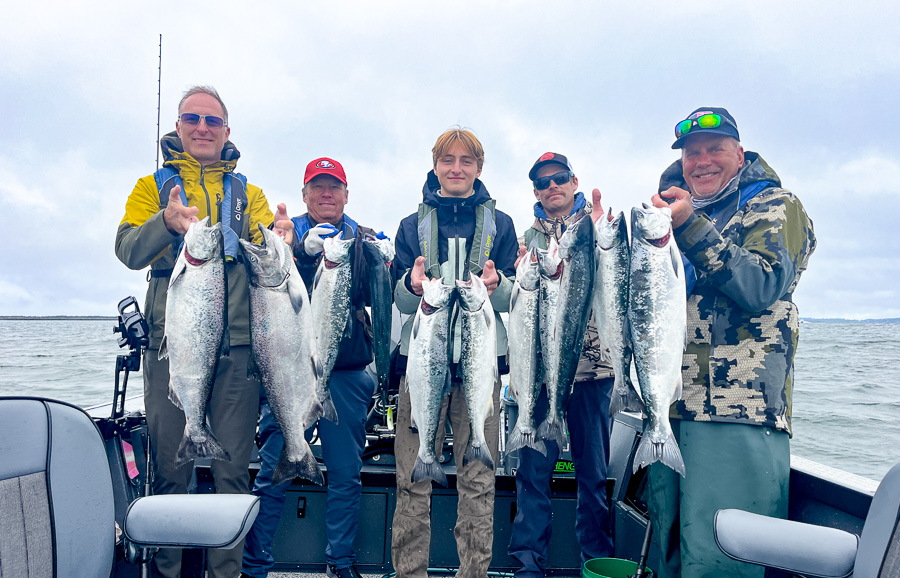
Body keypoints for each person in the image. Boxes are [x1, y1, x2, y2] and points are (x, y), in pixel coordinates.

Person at [115, 85, 277, 578]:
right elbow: (127, 250)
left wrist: (279, 242)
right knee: (170, 474)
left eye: (213, 121)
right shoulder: (150, 186)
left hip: (241, 356)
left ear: (227, 132)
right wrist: (165, 221)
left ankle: (224, 574)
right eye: (193, 119)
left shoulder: (249, 194)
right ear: (179, 128)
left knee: (232, 477)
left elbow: (267, 253)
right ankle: (166, 572)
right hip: (173, 350)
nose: (203, 128)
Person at [647, 107, 817, 577]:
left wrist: (689, 227)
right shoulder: (671, 219)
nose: (701, 161)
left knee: (722, 559)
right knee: (670, 554)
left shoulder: (777, 206)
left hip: (737, 412)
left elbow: (761, 286)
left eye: (715, 149)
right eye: (692, 153)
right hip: (670, 409)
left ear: (739, 154)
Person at [390, 128, 518, 578]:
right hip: (422, 372)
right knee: (412, 482)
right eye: (448, 160)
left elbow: (510, 302)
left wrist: (499, 286)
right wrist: (410, 284)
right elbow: (402, 302)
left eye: (466, 161)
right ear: (436, 165)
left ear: (479, 169)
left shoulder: (501, 227)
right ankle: (410, 573)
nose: (456, 169)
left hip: (480, 375)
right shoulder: (411, 226)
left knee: (479, 484)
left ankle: (474, 574)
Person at [241, 157, 377, 578]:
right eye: (317, 187)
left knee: (345, 473)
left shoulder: (364, 237)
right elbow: (263, 279)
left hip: (347, 373)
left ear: (346, 194)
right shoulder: (282, 234)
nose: (326, 194)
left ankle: (341, 562)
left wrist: (380, 259)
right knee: (272, 471)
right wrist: (297, 251)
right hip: (289, 371)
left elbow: (379, 290)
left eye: (334, 187)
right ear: (304, 194)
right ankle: (254, 564)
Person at [507, 153, 615, 577]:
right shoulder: (522, 239)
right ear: (535, 191)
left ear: (574, 181)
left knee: (593, 477)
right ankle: (527, 565)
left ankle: (595, 562)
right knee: (532, 476)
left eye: (560, 178)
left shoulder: (600, 229)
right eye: (543, 182)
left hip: (594, 372)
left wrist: (607, 240)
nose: (552, 186)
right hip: (538, 377)